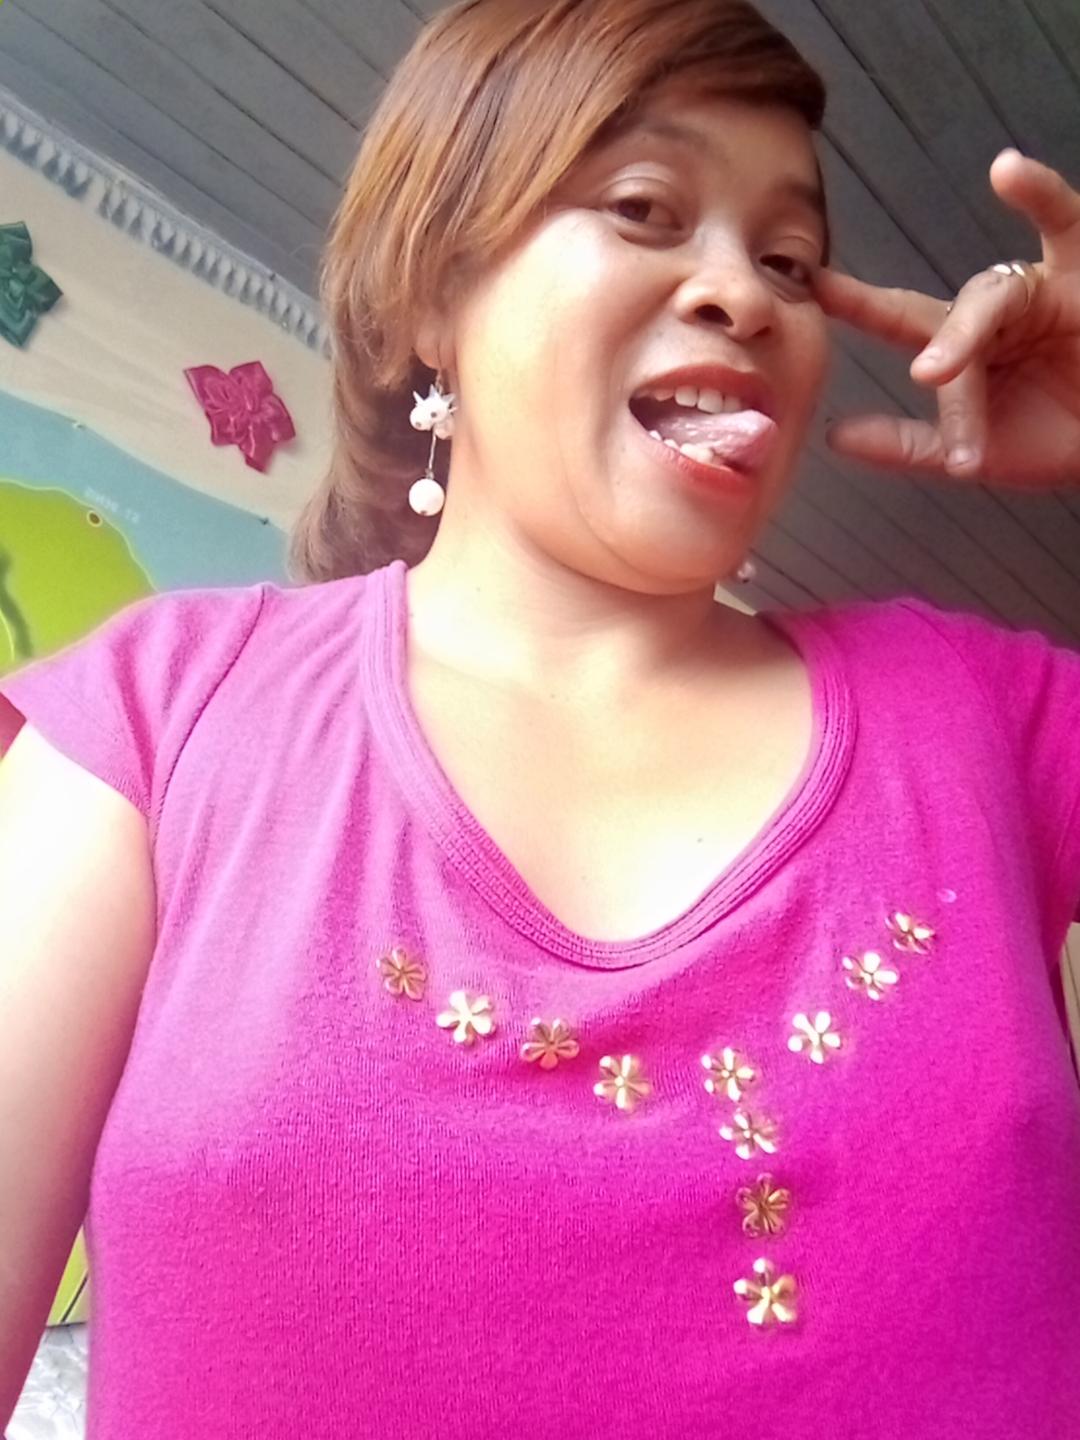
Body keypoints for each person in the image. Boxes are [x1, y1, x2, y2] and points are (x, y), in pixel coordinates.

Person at [1, 1, 1078, 1435]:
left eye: (789, 259)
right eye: (643, 207)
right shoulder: (158, 722)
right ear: (432, 291)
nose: (744, 293)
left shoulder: (987, 719)